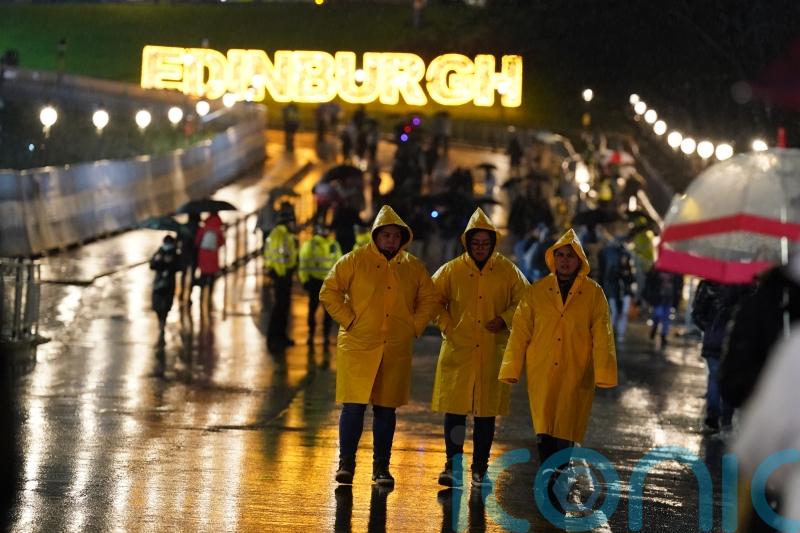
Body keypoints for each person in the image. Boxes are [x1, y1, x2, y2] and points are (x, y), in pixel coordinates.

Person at [320, 205, 440, 487]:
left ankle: (381, 468)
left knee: (386, 410)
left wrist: (414, 325)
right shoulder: (354, 260)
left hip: (394, 347)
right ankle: (346, 463)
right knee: (354, 407)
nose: (391, 241)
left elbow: (429, 298)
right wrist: (349, 320)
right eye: (385, 235)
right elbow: (329, 291)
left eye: (395, 236)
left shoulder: (412, 267)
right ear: (376, 236)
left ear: (402, 238)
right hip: (359, 345)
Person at [498, 228, 617, 510]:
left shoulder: (593, 293)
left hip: (577, 370)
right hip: (542, 369)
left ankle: (557, 476)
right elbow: (520, 332)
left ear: (580, 260)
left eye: (570, 256)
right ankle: (550, 472)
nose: (565, 261)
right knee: (544, 426)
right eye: (560, 255)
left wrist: (603, 372)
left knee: (565, 425)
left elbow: (603, 335)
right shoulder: (537, 292)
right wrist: (511, 367)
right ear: (553, 258)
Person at [430, 208, 528, 487]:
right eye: (476, 243)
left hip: (491, 350)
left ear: (493, 243)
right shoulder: (452, 270)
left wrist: (506, 319)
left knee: (486, 414)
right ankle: (453, 464)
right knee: (456, 411)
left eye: (485, 243)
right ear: (468, 243)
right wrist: (448, 325)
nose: (481, 248)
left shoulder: (508, 271)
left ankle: (480, 468)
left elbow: (526, 300)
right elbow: (431, 300)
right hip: (458, 350)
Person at [691, 280, 752, 433]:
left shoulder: (708, 285)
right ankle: (726, 418)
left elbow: (697, 313)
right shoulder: (746, 285)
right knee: (730, 377)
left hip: (713, 339)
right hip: (735, 341)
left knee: (714, 377)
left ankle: (712, 418)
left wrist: (709, 328)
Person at [298, 224, 342, 348]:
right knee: (313, 309)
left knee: (325, 311)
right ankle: (312, 334)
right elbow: (304, 263)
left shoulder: (333, 245)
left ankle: (324, 336)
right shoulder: (312, 245)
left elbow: (340, 265)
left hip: (327, 283)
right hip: (315, 282)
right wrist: (304, 279)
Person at [264, 210, 298, 352]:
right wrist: (283, 274)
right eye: (292, 222)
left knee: (283, 308)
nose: (293, 224)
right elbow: (279, 257)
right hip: (282, 276)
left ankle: (281, 337)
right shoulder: (281, 234)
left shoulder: (281, 234)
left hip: (282, 275)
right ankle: (275, 339)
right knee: (279, 308)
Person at [150, 235, 181, 344]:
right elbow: (152, 265)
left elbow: (179, 266)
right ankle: (161, 322)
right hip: (158, 283)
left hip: (169, 284)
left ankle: (163, 321)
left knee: (167, 305)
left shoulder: (175, 254)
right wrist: (158, 260)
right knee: (158, 305)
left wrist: (171, 263)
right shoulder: (159, 252)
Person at [194, 213, 225, 317]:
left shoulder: (204, 228)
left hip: (203, 255)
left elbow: (197, 241)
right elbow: (221, 242)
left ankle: (201, 296)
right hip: (213, 256)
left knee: (203, 276)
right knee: (211, 278)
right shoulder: (218, 229)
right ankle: (209, 298)